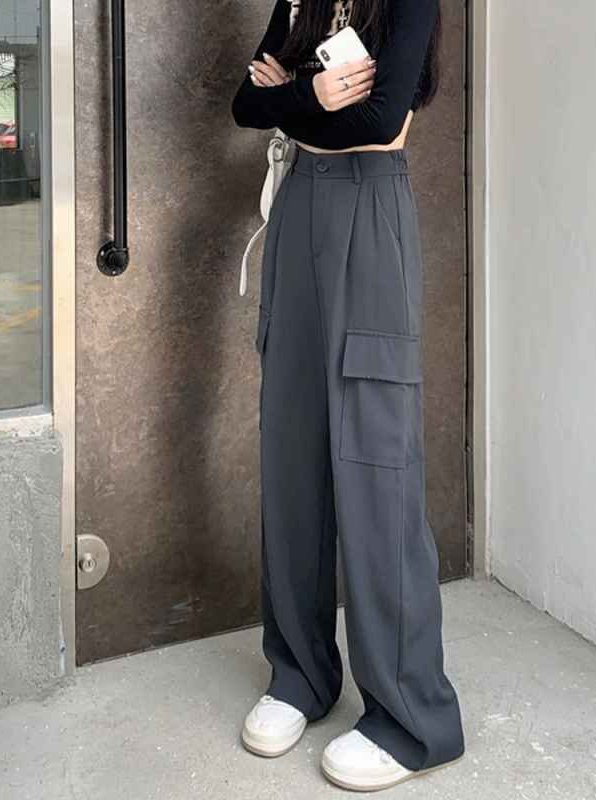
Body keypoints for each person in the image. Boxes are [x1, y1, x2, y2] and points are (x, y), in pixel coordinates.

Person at [231, 0, 465, 791]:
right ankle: (300, 673)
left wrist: (292, 101)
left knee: (376, 462)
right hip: (299, 207)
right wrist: (310, 98)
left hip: (370, 205)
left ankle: (412, 717)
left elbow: (380, 118)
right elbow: (245, 105)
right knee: (290, 448)